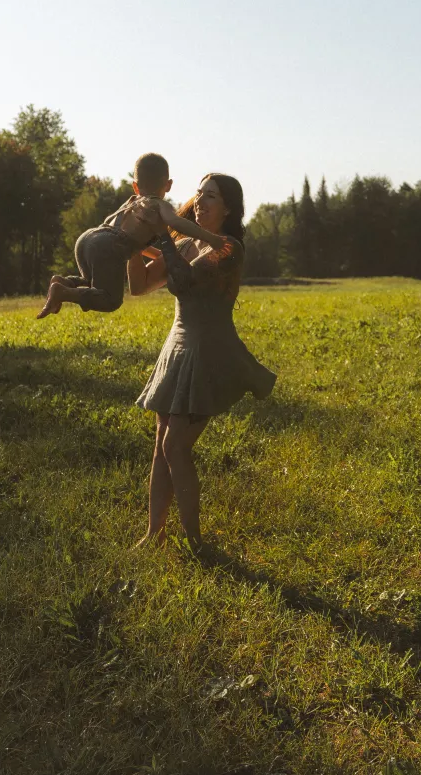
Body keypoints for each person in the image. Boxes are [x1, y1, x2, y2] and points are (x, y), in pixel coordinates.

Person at [127, 173, 276, 553]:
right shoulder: (186, 241)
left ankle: (195, 542)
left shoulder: (228, 248)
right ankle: (153, 535)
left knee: (176, 446)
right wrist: (128, 244)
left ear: (228, 208)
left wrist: (161, 235)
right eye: (198, 193)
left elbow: (182, 281)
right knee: (162, 445)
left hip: (209, 351)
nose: (200, 200)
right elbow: (140, 285)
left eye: (210, 195)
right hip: (177, 347)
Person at [36, 153, 229, 318]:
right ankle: (63, 292)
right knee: (110, 300)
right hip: (109, 245)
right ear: (168, 185)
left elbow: (143, 247)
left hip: (89, 237)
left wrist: (154, 252)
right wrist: (211, 238)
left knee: (93, 285)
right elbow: (178, 222)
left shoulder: (132, 202)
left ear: (135, 186)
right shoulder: (158, 204)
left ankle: (65, 282)